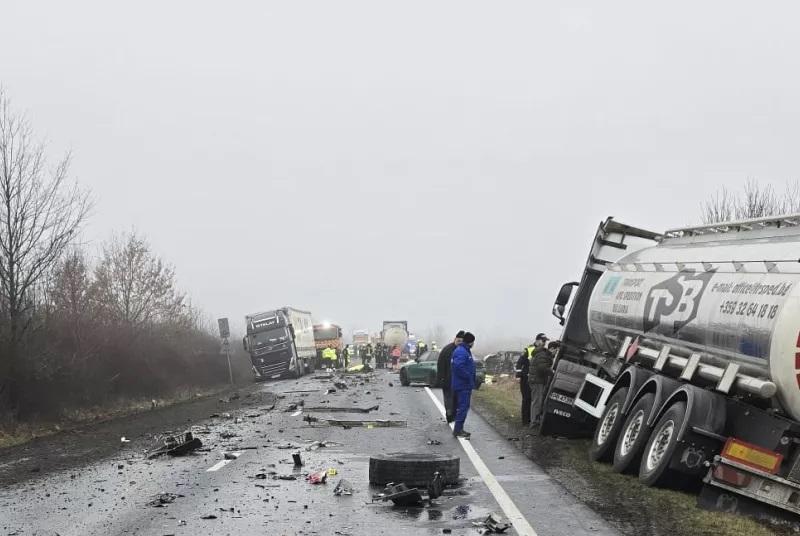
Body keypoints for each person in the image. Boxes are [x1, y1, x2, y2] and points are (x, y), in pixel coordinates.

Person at [516, 333, 547, 425]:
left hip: (534, 379)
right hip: (526, 378)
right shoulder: (529, 349)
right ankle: (525, 421)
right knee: (527, 398)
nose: (544, 343)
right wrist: (519, 375)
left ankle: (532, 419)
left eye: (545, 341)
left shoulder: (543, 351)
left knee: (534, 399)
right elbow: (519, 362)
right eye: (543, 341)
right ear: (538, 340)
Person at [451, 332, 477, 439]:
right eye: (473, 342)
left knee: (463, 407)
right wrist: (468, 376)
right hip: (462, 385)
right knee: (463, 407)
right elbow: (458, 367)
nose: (473, 344)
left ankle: (459, 429)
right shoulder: (462, 351)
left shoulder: (464, 350)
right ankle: (458, 430)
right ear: (470, 342)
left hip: (463, 384)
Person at [436, 330, 465, 423]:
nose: (459, 343)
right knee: (448, 398)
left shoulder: (464, 351)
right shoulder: (447, 350)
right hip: (447, 379)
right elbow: (440, 364)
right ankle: (449, 414)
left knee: (456, 399)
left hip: (458, 381)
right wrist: (440, 378)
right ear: (455, 339)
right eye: (458, 341)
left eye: (461, 341)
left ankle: (453, 415)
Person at [529, 340, 557, 428]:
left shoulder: (544, 355)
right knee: (536, 402)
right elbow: (541, 368)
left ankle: (535, 420)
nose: (556, 352)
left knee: (537, 401)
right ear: (552, 348)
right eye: (556, 350)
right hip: (537, 381)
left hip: (537, 380)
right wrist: (552, 372)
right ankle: (534, 422)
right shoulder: (543, 355)